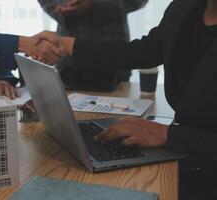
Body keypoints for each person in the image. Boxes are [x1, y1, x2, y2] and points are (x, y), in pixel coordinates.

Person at [36, 0, 217, 199]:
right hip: (188, 161)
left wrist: (170, 135)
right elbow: (142, 51)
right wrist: (69, 45)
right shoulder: (185, 7)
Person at [38, 0, 148, 91]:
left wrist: (95, 4)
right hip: (67, 57)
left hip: (112, 54)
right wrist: (61, 5)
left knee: (118, 112)